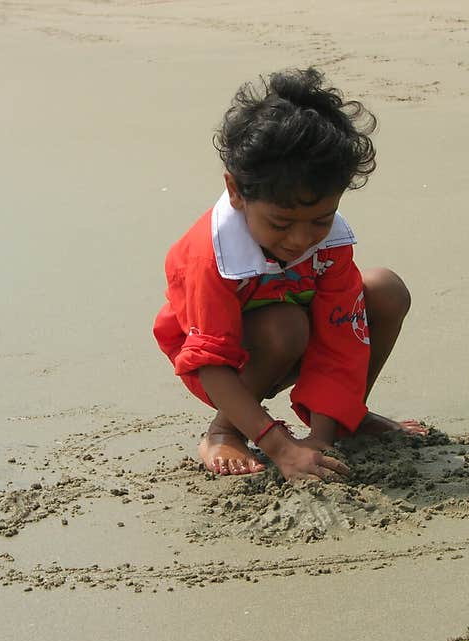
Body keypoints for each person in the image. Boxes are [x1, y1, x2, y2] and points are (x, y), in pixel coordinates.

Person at [153, 66, 426, 483]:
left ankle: (348, 419)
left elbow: (341, 335)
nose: (301, 240)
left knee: (384, 290)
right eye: (281, 224)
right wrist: (279, 447)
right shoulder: (208, 257)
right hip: (224, 360)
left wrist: (322, 438)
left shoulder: (330, 243)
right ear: (235, 191)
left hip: (303, 338)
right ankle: (225, 429)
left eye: (320, 220)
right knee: (285, 326)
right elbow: (209, 361)